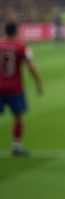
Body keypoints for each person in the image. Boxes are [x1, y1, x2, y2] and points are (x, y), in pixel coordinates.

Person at [0, 22, 43, 157]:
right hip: (15, 89)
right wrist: (38, 82)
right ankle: (17, 147)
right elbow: (30, 66)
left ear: (5, 31)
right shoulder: (21, 47)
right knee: (18, 117)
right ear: (17, 31)